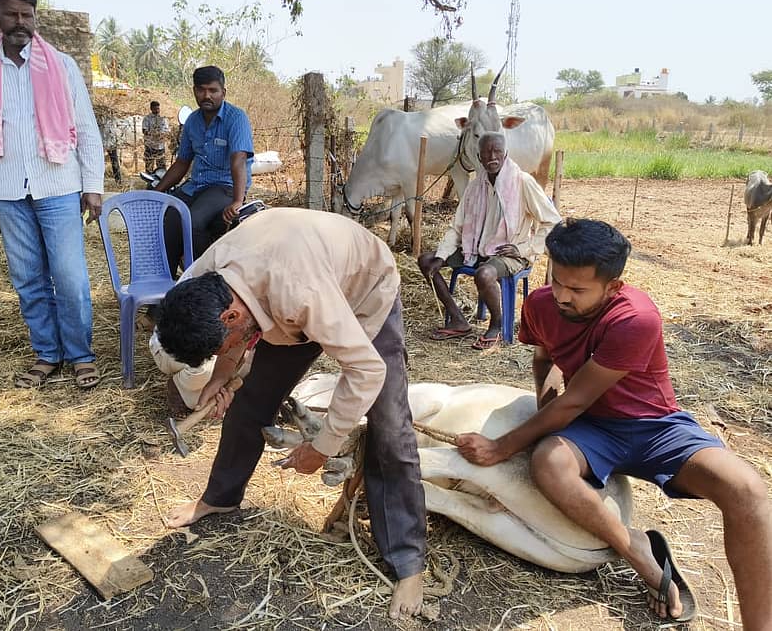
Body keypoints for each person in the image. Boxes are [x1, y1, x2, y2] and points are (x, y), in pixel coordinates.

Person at [457, 218, 772, 626]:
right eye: (557, 281)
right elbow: (545, 360)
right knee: (549, 462)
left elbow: (575, 400)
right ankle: (638, 551)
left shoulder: (635, 318)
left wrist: (502, 447)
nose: (562, 297)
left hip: (654, 426)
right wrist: (544, 404)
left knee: (746, 490)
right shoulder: (539, 304)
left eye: (578, 289)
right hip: (591, 427)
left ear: (613, 287)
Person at [155, 208, 426, 620]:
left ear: (231, 317)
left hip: (362, 291)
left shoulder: (301, 292)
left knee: (390, 427)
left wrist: (323, 446)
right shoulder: (202, 281)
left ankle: (408, 562)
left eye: (217, 347)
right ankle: (220, 498)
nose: (219, 356)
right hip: (284, 301)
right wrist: (220, 377)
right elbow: (226, 338)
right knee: (249, 404)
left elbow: (367, 370)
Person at [0, 0, 104, 390]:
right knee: (28, 279)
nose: (20, 22)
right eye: (12, 14)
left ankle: (80, 354)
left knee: (71, 277)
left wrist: (92, 185)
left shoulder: (61, 65)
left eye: (28, 14)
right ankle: (47, 353)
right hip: (7, 191)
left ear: (35, 17)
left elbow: (86, 129)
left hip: (58, 184)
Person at [418, 132, 560, 348]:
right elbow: (457, 227)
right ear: (479, 156)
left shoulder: (522, 182)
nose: (492, 156)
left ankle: (497, 324)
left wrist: (525, 248)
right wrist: (442, 255)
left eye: (497, 151)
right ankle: (458, 319)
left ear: (505, 154)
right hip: (475, 249)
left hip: (509, 253)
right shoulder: (476, 186)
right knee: (426, 261)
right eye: (487, 152)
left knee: (485, 274)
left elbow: (553, 222)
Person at [152, 65, 253, 273]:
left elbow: (238, 160)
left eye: (213, 90)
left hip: (224, 186)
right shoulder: (192, 121)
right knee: (168, 217)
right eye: (201, 90)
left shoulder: (236, 118)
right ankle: (166, 288)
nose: (207, 95)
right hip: (197, 185)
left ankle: (203, 282)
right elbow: (182, 163)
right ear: (194, 91)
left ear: (223, 92)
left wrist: (237, 201)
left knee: (193, 220)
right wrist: (156, 193)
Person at [142, 100, 169, 173]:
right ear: (151, 109)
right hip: (150, 146)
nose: (157, 111)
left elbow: (167, 131)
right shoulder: (147, 119)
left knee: (161, 166)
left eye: (158, 109)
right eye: (155, 109)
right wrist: (153, 134)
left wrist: (162, 135)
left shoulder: (163, 119)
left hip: (160, 146)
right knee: (149, 166)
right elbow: (144, 130)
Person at [98, 114, 123, 183]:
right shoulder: (98, 119)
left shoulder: (113, 120)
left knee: (114, 162)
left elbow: (116, 132)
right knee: (100, 162)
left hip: (111, 144)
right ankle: (100, 180)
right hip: (101, 143)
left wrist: (117, 142)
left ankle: (118, 180)